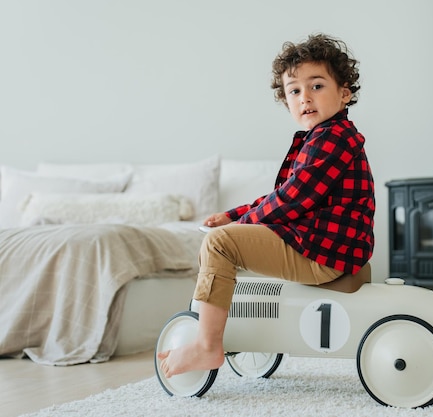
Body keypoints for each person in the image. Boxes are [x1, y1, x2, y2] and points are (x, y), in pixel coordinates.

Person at [158, 33, 375, 378]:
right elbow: (287, 192)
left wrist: (236, 226)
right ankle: (226, 322)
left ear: (344, 93)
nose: (305, 98)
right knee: (227, 235)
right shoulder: (321, 138)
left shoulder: (334, 138)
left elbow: (293, 198)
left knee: (219, 243)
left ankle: (206, 344)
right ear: (286, 101)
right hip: (328, 247)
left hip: (323, 252)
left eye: (316, 86)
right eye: (294, 91)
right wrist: (234, 214)